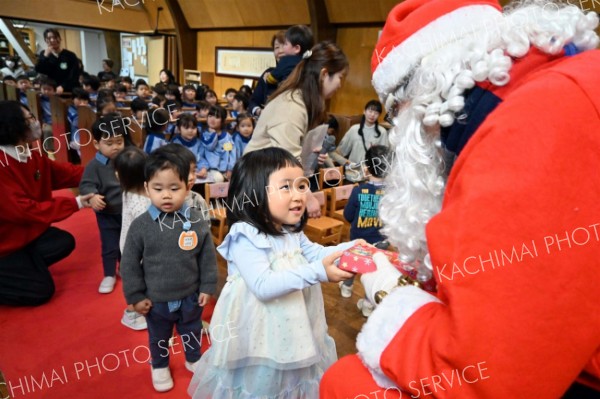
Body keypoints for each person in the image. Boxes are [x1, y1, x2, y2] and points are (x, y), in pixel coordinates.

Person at [320, 0, 600, 398]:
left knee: (345, 382)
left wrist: (394, 299)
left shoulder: (527, 124)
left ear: (417, 98)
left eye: (397, 112)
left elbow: (485, 376)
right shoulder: (544, 91)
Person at [188, 147, 357, 399]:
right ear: (255, 193)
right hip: (260, 333)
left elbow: (317, 253)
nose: (299, 195)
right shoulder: (245, 235)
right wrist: (319, 272)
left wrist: (353, 249)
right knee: (264, 381)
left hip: (294, 324)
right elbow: (263, 285)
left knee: (293, 374)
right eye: (286, 187)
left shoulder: (290, 231)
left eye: (301, 186)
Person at [121, 147, 217, 393]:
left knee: (192, 329)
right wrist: (135, 296)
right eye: (158, 188)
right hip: (157, 301)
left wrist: (207, 286)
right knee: (159, 337)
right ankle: (160, 364)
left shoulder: (195, 219)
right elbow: (130, 263)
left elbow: (206, 255)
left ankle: (193, 358)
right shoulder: (141, 226)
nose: (166, 195)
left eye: (174, 188)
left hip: (191, 296)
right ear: (146, 188)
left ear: (188, 186)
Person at [0, 101, 93, 306]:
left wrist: (103, 173)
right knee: (42, 290)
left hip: (23, 235)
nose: (36, 123)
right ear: (12, 126)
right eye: (29, 119)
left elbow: (64, 173)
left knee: (63, 242)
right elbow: (24, 210)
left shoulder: (30, 154)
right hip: (5, 243)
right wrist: (76, 203)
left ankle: (23, 268)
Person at [244, 41, 348, 217]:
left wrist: (312, 154)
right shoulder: (292, 105)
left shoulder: (303, 101)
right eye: (340, 77)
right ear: (324, 74)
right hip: (258, 186)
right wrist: (307, 196)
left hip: (273, 181)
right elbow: (288, 157)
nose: (340, 85)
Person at [339, 145, 390, 316]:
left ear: (366, 169)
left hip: (358, 239)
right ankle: (368, 304)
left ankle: (347, 287)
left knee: (353, 263)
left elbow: (348, 215)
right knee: (374, 271)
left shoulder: (359, 190)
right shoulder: (391, 193)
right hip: (381, 240)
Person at [79, 113, 126, 294]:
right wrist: (92, 197)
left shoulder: (126, 159)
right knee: (109, 245)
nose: (115, 147)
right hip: (107, 213)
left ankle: (124, 267)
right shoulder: (94, 165)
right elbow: (86, 185)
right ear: (97, 144)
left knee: (127, 243)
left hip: (127, 211)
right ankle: (109, 274)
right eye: (109, 143)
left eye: (119, 142)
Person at [114, 146, 150, 330]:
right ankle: (132, 314)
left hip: (129, 245)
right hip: (138, 250)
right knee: (138, 283)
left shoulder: (128, 191)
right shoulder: (142, 204)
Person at [331, 100, 388, 182]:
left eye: (376, 113)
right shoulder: (354, 129)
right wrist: (347, 162)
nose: (372, 115)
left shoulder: (382, 132)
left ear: (379, 115)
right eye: (370, 111)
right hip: (352, 175)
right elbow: (340, 151)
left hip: (369, 178)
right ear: (364, 111)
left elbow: (383, 158)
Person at [35, 28, 81, 94]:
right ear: (45, 40)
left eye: (55, 37)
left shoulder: (70, 55)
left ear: (60, 38)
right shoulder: (43, 54)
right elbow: (39, 70)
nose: (53, 40)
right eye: (49, 38)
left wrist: (63, 86)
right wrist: (45, 56)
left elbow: (74, 74)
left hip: (69, 89)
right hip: (51, 90)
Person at [198, 105, 234, 182]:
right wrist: (213, 134)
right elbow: (207, 148)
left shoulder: (227, 137)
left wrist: (230, 169)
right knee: (218, 178)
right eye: (210, 116)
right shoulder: (204, 135)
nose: (212, 119)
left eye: (217, 117)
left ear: (223, 121)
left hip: (225, 169)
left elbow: (230, 153)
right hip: (210, 169)